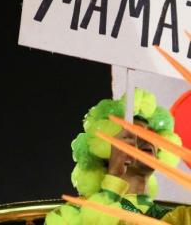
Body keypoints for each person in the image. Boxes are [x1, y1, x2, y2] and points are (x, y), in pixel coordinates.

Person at [45, 88, 182, 225]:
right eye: (134, 133)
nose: (147, 138)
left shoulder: (176, 218)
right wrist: (114, 177)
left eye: (151, 133)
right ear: (107, 150)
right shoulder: (73, 213)